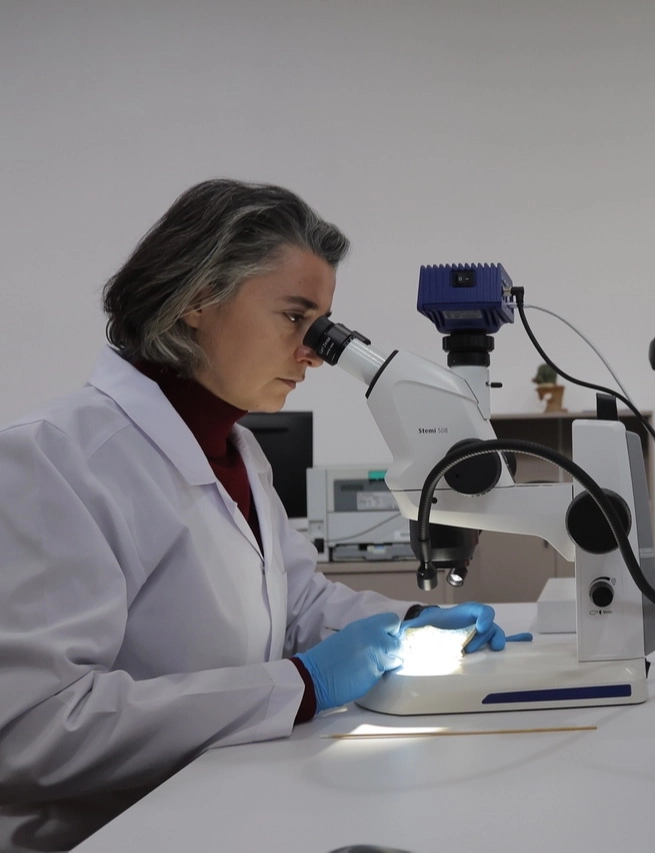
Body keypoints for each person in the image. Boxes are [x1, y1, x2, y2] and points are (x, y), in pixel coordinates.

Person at [0, 179, 527, 853]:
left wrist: (408, 625)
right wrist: (300, 684)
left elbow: (299, 605)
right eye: (295, 317)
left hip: (229, 807)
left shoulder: (240, 452)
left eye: (322, 327)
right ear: (197, 299)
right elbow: (32, 730)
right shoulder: (55, 457)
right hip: (106, 835)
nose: (313, 352)